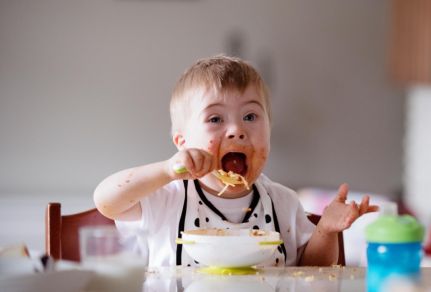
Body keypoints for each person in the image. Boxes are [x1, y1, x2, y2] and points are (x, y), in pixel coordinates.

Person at [94, 55, 378, 267]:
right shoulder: (167, 198)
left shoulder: (283, 203)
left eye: (250, 117)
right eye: (215, 119)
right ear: (182, 142)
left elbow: (312, 273)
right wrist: (167, 170)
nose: (236, 130)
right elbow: (106, 200)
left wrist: (326, 230)